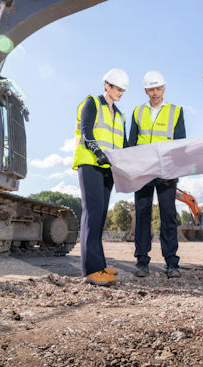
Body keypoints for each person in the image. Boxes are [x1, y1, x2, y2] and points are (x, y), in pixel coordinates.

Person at [73, 68, 129, 286]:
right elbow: (87, 132)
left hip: (109, 168)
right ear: (107, 85)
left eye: (123, 90)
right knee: (92, 213)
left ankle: (100, 266)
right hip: (90, 163)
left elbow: (122, 144)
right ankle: (91, 271)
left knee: (101, 216)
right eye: (117, 89)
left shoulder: (120, 115)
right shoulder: (92, 103)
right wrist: (98, 153)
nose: (120, 93)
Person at [128, 71, 185, 278]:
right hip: (143, 170)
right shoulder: (137, 112)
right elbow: (131, 144)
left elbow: (180, 143)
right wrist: (132, 170)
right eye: (151, 89)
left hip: (167, 170)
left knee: (168, 216)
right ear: (145, 90)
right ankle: (142, 261)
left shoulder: (176, 111)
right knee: (142, 216)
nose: (155, 93)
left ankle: (172, 263)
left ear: (164, 88)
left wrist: (175, 170)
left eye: (158, 88)